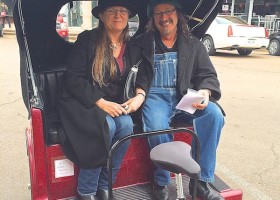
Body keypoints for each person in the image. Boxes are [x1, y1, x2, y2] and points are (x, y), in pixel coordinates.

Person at [132, 0, 225, 199]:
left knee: (214, 115)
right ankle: (161, 181)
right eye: (158, 14)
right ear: (152, 19)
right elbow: (132, 74)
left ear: (178, 14)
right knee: (157, 127)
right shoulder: (141, 43)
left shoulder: (193, 43)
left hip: (185, 96)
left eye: (168, 11)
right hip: (155, 96)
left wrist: (205, 93)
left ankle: (201, 181)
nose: (164, 17)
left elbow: (208, 75)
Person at [58, 0, 146, 199]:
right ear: (102, 16)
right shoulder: (87, 40)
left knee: (125, 125)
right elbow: (73, 78)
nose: (118, 15)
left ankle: (105, 185)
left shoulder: (131, 46)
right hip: (83, 102)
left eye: (123, 11)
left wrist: (139, 96)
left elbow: (143, 75)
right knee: (107, 127)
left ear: (128, 16)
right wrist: (100, 102)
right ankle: (87, 190)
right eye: (112, 11)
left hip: (112, 104)